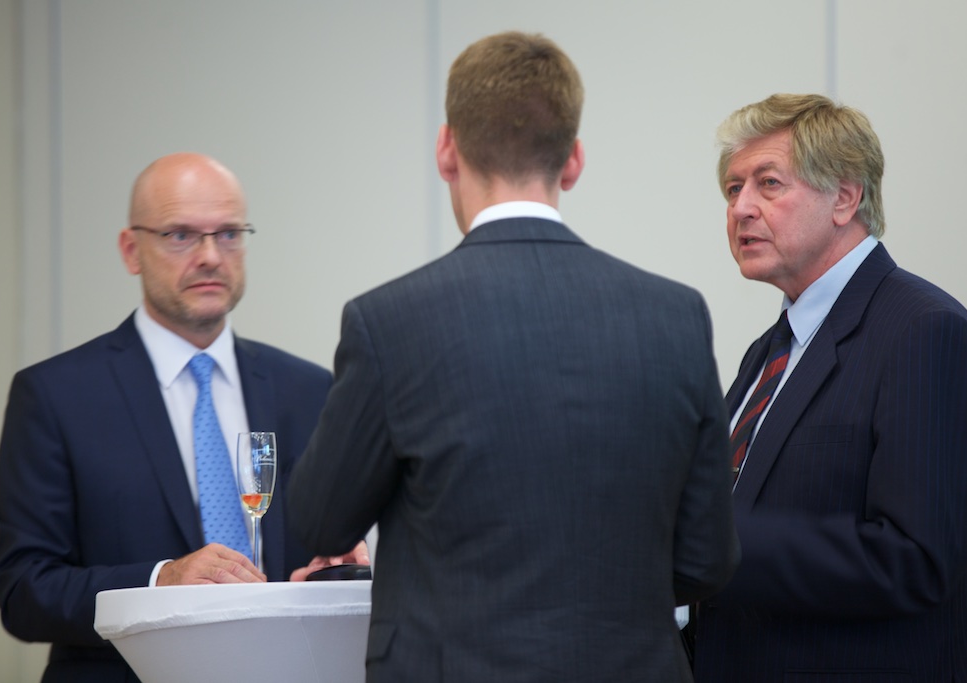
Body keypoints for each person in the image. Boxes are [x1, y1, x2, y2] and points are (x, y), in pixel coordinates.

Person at [287, 31, 740, 683]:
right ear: (574, 160)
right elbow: (706, 559)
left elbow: (321, 521)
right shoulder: (676, 316)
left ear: (447, 150)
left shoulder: (389, 322)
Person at [0, 152, 366, 683]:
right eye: (180, 235)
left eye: (229, 234)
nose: (211, 256)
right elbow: (23, 591)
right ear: (132, 250)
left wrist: (330, 575)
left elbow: (313, 559)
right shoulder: (55, 396)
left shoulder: (309, 390)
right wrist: (159, 581)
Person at [694, 94, 967, 682]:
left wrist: (710, 544)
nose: (741, 208)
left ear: (844, 197)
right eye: (733, 189)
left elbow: (914, 560)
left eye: (768, 183)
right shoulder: (769, 351)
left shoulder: (925, 331)